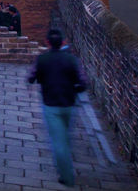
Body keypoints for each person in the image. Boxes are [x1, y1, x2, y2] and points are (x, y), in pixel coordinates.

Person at [28, 28, 88, 187]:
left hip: (51, 105)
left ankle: (67, 177)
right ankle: (66, 165)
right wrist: (75, 90)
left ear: (47, 42)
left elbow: (31, 77)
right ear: (63, 42)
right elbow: (83, 81)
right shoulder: (71, 60)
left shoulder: (42, 59)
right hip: (69, 104)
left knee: (58, 142)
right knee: (65, 136)